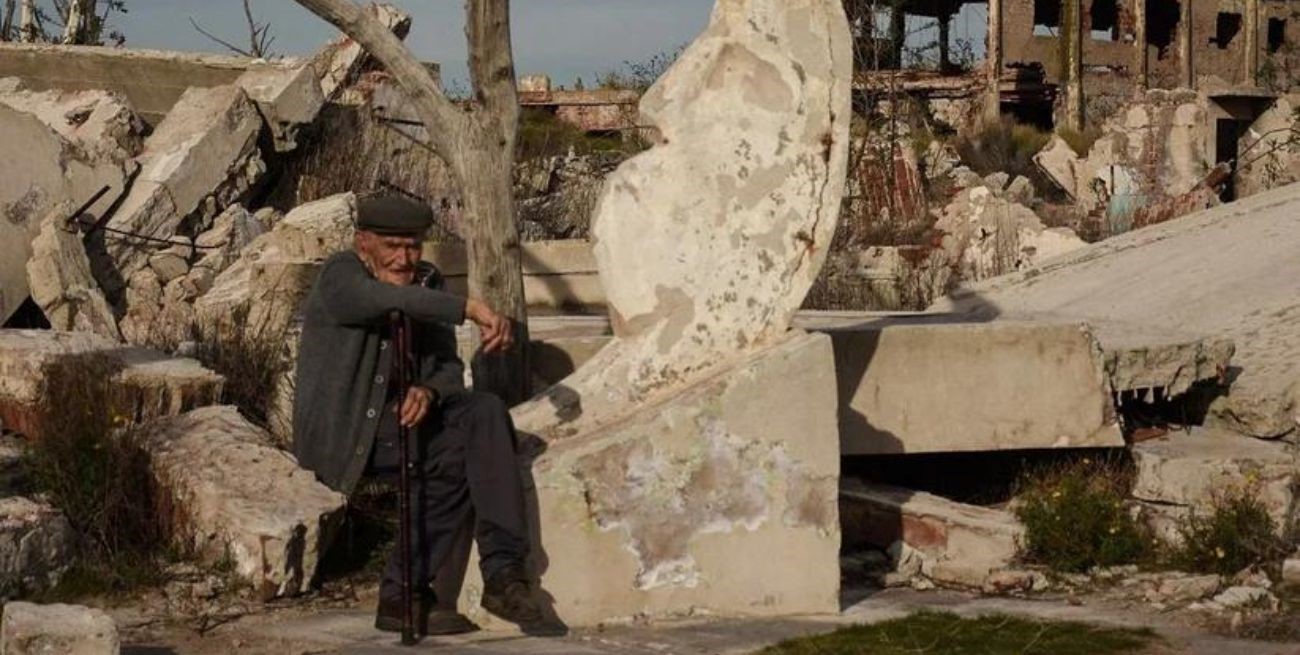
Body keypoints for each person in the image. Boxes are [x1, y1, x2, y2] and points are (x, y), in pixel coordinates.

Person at [292, 192, 544, 636]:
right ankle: (400, 591)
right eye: (393, 246)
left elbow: (448, 366)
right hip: (347, 436)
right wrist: (468, 308)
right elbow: (378, 300)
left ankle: (503, 574)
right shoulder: (340, 274)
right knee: (451, 456)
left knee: (482, 414)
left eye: (413, 247)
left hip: (403, 427)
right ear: (363, 241)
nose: (405, 258)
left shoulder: (426, 281)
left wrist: (429, 390)